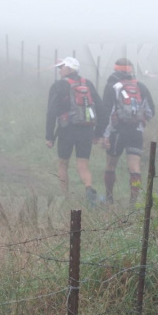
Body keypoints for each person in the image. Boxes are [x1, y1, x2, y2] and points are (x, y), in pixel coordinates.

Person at [94, 58, 155, 205]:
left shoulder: (112, 86)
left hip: (117, 132)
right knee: (135, 169)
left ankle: (109, 198)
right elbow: (151, 111)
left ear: (116, 70)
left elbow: (106, 113)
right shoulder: (141, 86)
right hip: (136, 132)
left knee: (110, 165)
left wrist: (103, 135)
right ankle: (133, 202)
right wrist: (139, 121)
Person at [45, 57, 102, 205]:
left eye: (62, 67)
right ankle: (89, 189)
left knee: (63, 163)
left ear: (69, 69)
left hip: (66, 130)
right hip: (86, 130)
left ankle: (66, 197)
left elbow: (51, 112)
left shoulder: (58, 86)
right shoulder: (87, 84)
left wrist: (49, 136)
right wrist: (98, 133)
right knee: (83, 164)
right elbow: (101, 108)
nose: (60, 70)